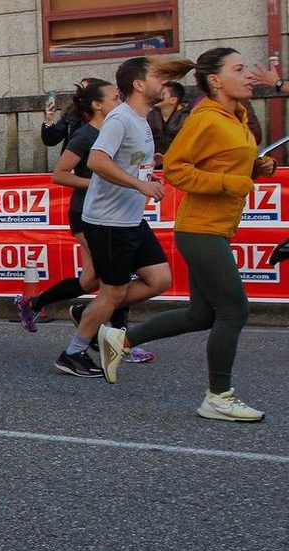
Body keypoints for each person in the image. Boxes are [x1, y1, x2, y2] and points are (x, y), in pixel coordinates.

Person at [98, 48, 277, 418]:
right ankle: (218, 396)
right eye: (239, 69)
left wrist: (258, 167)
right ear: (215, 80)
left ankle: (121, 338)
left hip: (216, 228)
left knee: (201, 315)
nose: (248, 76)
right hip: (201, 229)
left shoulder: (235, 116)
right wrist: (231, 182)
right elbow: (177, 170)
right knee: (235, 310)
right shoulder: (205, 118)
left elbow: (227, 166)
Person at [58, 56, 188, 377]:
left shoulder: (141, 118)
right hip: (107, 222)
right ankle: (72, 353)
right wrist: (138, 185)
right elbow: (99, 161)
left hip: (129, 220)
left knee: (160, 280)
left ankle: (90, 312)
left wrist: (148, 173)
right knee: (113, 292)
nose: (164, 84)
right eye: (157, 77)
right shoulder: (120, 119)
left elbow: (126, 163)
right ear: (140, 85)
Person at [16, 78, 149, 367]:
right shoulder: (86, 136)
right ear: (97, 105)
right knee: (114, 279)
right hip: (87, 213)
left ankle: (35, 303)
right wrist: (100, 183)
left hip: (112, 213)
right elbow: (59, 174)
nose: (121, 103)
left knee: (90, 279)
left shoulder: (122, 130)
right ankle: (117, 340)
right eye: (115, 98)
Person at [40, 83, 89, 156]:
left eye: (83, 91)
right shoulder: (72, 115)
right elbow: (50, 140)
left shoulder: (104, 117)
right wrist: (48, 120)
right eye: (79, 90)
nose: (80, 95)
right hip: (71, 163)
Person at [148, 80, 190, 159]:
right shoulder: (150, 116)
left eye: (162, 94)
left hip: (179, 163)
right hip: (155, 164)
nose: (157, 96)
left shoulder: (187, 118)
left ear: (173, 100)